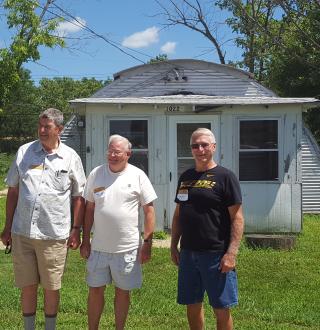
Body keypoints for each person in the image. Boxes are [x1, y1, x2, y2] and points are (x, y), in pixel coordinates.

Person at [0, 108, 86, 330]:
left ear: (59, 129)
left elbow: (79, 197)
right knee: (27, 286)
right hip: (23, 233)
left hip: (54, 235)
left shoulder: (70, 157)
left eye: (47, 127)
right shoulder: (23, 152)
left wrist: (76, 229)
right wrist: (7, 227)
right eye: (39, 126)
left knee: (51, 287)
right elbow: (14, 191)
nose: (41, 131)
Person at [80, 134, 157, 330]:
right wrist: (85, 239)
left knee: (123, 293)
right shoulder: (96, 174)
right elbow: (89, 208)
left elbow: (149, 210)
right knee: (95, 290)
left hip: (127, 249)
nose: (112, 155)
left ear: (128, 154)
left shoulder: (138, 175)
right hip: (98, 247)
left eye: (117, 151)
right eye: (110, 151)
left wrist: (147, 243)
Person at [171, 128, 244, 330]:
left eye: (204, 145)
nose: (200, 149)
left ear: (213, 147)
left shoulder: (225, 177)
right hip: (188, 253)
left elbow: (237, 218)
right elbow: (179, 214)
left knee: (221, 307)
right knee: (192, 305)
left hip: (216, 254)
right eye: (195, 145)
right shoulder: (186, 176)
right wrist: (173, 245)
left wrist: (232, 253)